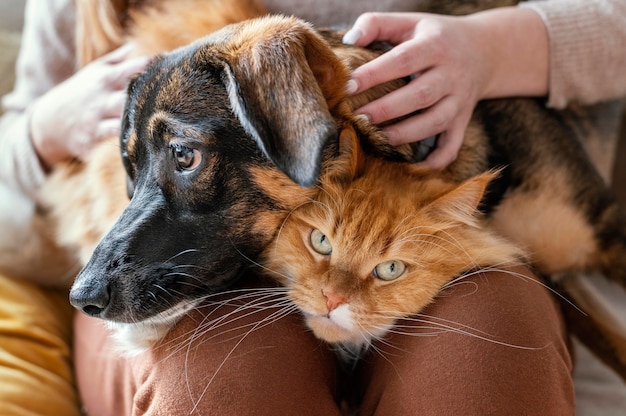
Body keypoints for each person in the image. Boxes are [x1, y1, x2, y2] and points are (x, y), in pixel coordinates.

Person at [0, 0, 624, 414]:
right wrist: (40, 130)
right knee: (230, 375)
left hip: (421, 224)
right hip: (187, 283)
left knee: (490, 341)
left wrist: (498, 47)